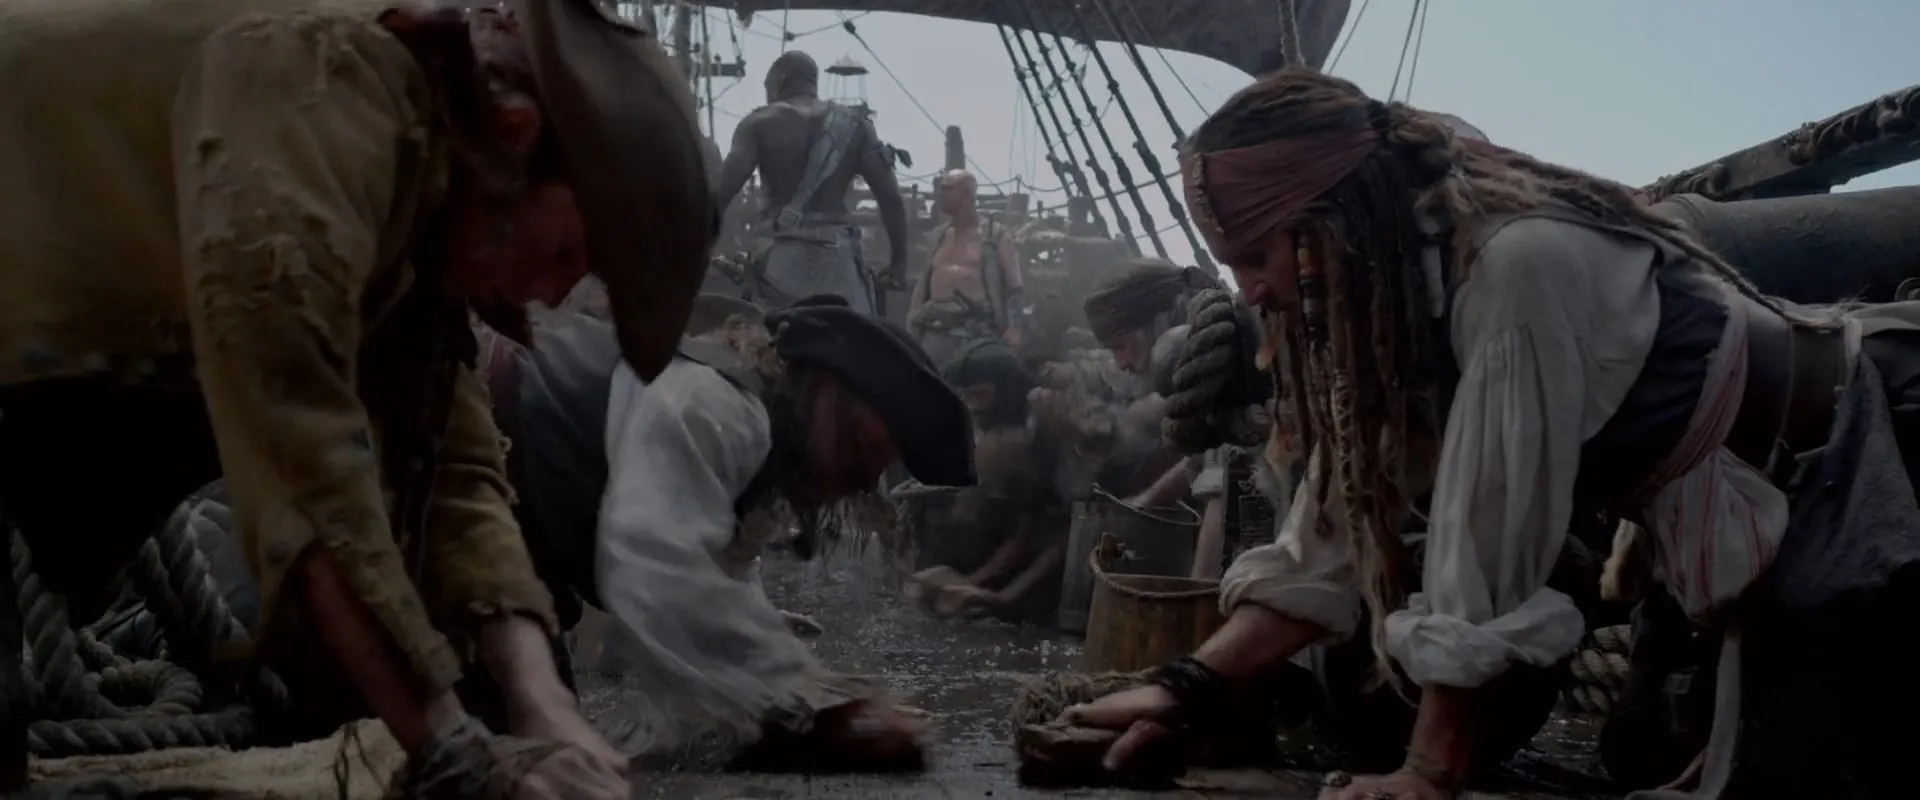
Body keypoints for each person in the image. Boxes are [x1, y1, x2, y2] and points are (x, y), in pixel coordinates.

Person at [1062, 66, 1920, 800]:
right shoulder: (1403, 311)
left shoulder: (1516, 269)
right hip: (1735, 517)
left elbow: (1490, 542)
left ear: (1337, 217)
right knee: (1642, 750)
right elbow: (1333, 530)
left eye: (1259, 256)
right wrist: (1186, 687)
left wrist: (1426, 774)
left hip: (1863, 460)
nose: (1249, 291)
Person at [0, 0, 715, 796]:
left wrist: (541, 705)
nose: (548, 296)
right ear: (514, 137)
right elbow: (301, 453)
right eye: (563, 252)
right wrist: (456, 751)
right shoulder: (321, 85)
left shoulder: (426, 193)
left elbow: (458, 476)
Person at [715, 50, 908, 314]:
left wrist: (703, 252)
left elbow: (720, 195)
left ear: (781, 79)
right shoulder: (857, 126)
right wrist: (898, 265)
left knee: (769, 336)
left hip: (779, 260)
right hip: (840, 262)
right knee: (858, 335)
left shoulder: (758, 123)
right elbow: (891, 199)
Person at [911, 339, 1067, 621]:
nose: (974, 407)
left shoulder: (1040, 427)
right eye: (967, 396)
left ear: (1007, 389)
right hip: (1013, 537)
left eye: (981, 395)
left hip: (1051, 565)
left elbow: (1049, 531)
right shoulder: (999, 426)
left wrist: (984, 588)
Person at [907, 169, 1027, 363]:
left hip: (976, 334)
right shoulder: (938, 236)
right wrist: (913, 320)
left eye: (947, 189)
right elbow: (924, 283)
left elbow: (1015, 287)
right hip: (934, 332)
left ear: (966, 195)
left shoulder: (995, 235)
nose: (940, 194)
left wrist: (1014, 329)